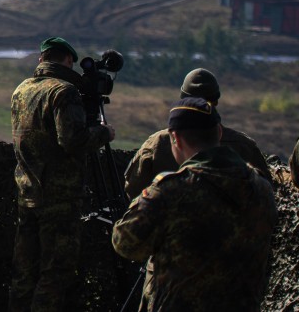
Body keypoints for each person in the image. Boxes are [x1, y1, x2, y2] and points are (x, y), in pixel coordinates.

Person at [112, 97, 277, 311]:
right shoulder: (261, 188)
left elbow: (124, 243)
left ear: (176, 139)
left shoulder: (171, 191)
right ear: (219, 133)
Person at [8, 36, 114, 312]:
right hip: (59, 197)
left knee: (24, 274)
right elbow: (72, 140)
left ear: (42, 59)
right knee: (55, 275)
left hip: (27, 192)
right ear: (67, 60)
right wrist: (104, 132)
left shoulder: (22, 89)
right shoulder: (63, 92)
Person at [123, 67, 272, 199]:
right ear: (216, 100)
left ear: (183, 99)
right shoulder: (244, 145)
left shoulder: (157, 143)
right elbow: (266, 193)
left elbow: (133, 191)